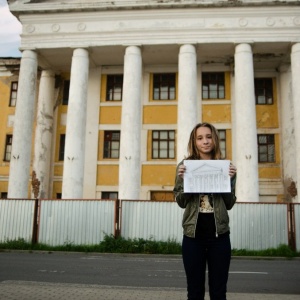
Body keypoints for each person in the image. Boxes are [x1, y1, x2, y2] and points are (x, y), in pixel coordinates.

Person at [173, 122, 237, 300]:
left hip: (220, 237)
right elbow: (180, 201)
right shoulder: (184, 166)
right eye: (200, 138)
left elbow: (229, 203)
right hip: (193, 237)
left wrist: (230, 181)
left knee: (218, 292)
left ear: (215, 139)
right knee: (194, 291)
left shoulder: (226, 166)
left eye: (209, 137)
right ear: (194, 142)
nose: (205, 141)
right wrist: (183, 180)